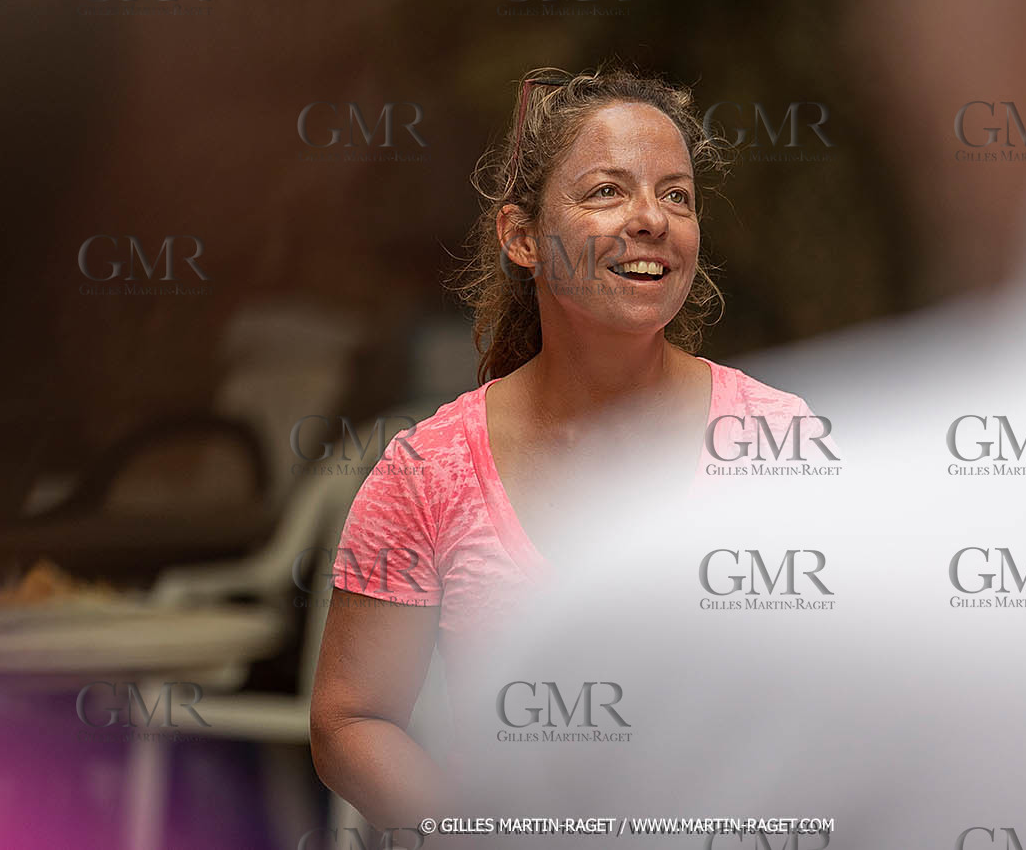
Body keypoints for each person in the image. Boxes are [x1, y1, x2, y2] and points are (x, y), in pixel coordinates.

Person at [308, 65, 834, 832]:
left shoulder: (780, 443)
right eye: (607, 191)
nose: (652, 218)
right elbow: (350, 719)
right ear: (522, 237)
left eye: (677, 195)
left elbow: (853, 697)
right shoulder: (429, 470)